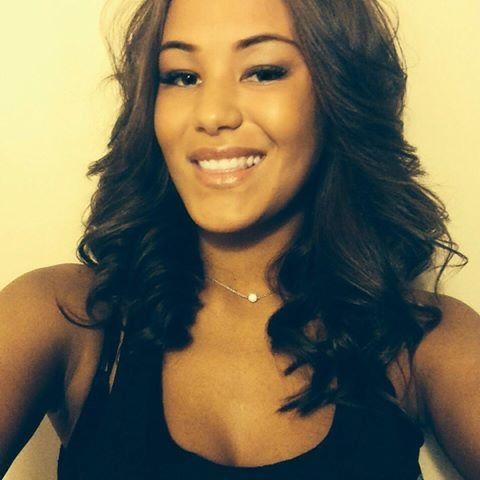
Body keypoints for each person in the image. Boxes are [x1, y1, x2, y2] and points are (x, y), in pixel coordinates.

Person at [1, 0, 479, 478]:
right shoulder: (63, 316)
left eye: (263, 72)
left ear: (339, 93)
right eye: (182, 76)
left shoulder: (426, 342)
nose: (212, 114)